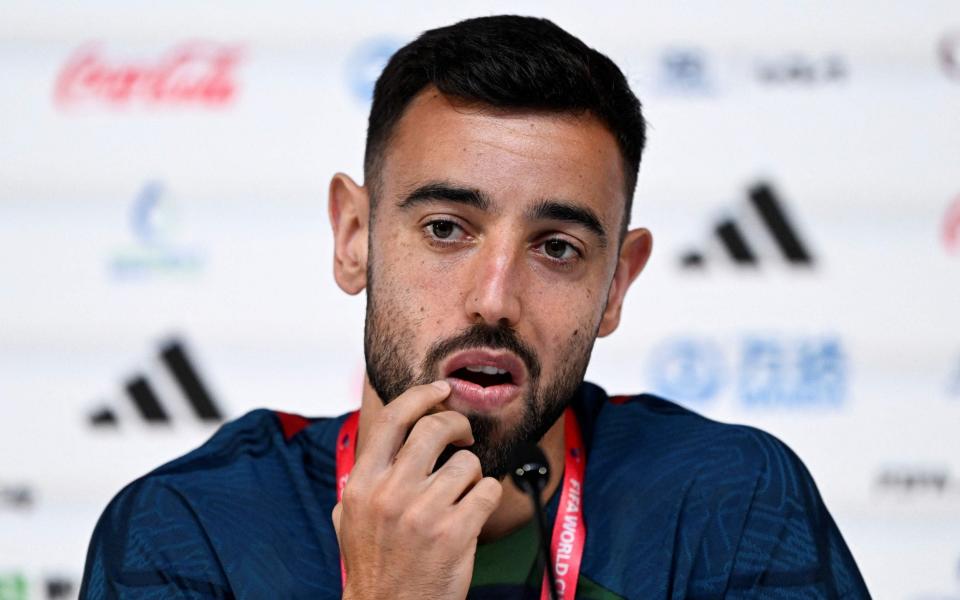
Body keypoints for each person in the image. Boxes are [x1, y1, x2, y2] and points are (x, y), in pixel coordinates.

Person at [80, 15, 870, 600]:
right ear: (354, 238)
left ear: (616, 286)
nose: (495, 300)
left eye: (557, 246)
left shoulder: (729, 502)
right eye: (447, 229)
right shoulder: (192, 530)